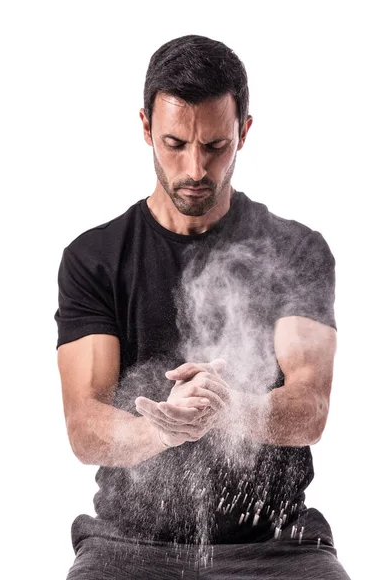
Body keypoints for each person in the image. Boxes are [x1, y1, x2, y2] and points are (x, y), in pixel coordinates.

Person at [54, 34, 351, 579]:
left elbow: (310, 409)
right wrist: (164, 430)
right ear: (145, 127)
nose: (194, 168)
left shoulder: (295, 251)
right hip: (127, 545)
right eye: (174, 143)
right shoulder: (93, 259)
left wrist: (229, 410)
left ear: (244, 132)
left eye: (215, 146)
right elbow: (85, 425)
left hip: (278, 545)